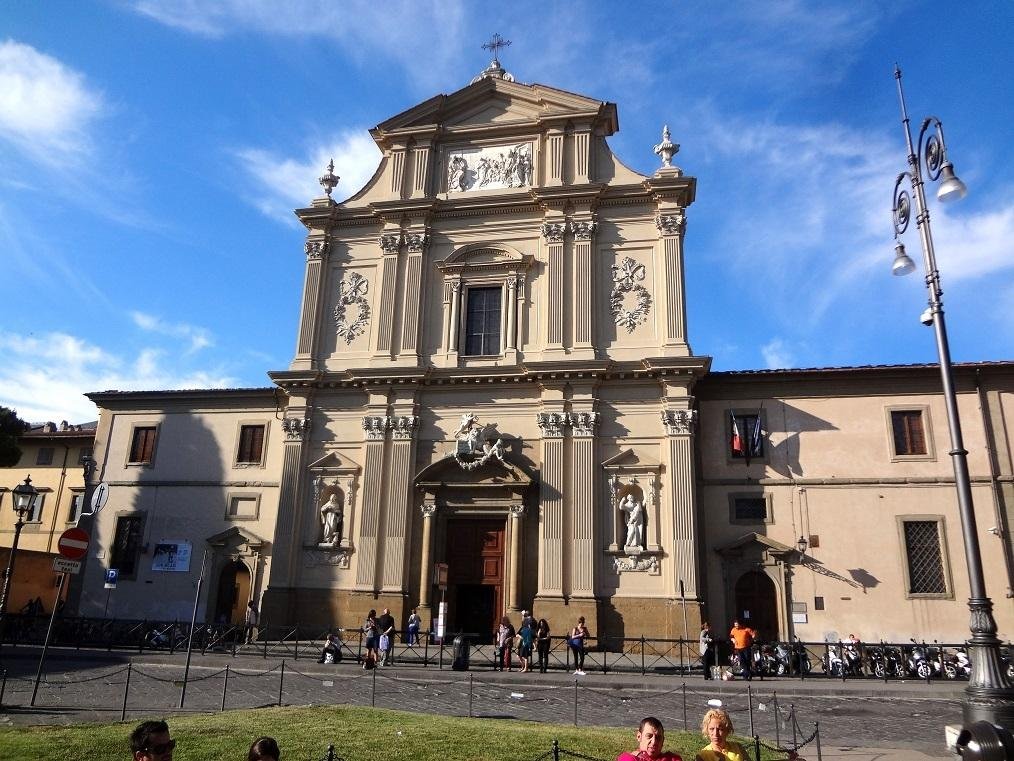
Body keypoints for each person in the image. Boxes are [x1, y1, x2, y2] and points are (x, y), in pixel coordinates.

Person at [616, 716, 682, 761]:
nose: (654, 742)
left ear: (663, 741)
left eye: (658, 738)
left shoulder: (673, 759)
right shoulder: (628, 759)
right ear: (639, 737)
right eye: (649, 736)